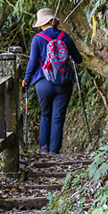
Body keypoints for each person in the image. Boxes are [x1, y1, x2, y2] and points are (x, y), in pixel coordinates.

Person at [23, 8, 83, 154]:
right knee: (58, 118)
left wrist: (26, 80)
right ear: (53, 21)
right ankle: (54, 152)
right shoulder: (65, 37)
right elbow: (78, 59)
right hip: (63, 83)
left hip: (43, 83)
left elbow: (32, 63)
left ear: (41, 23)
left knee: (45, 114)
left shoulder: (37, 39)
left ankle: (44, 148)